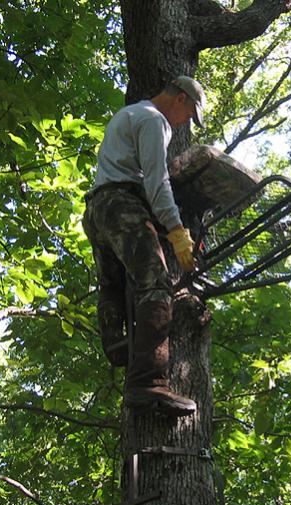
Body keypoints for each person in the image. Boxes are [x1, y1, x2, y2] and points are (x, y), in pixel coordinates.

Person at [82, 76, 206, 417]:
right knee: (156, 284)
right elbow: (156, 182)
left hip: (98, 211)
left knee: (113, 282)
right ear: (180, 99)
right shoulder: (154, 120)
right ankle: (148, 381)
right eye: (190, 114)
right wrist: (177, 231)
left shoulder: (131, 114)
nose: (185, 123)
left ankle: (117, 344)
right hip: (123, 207)